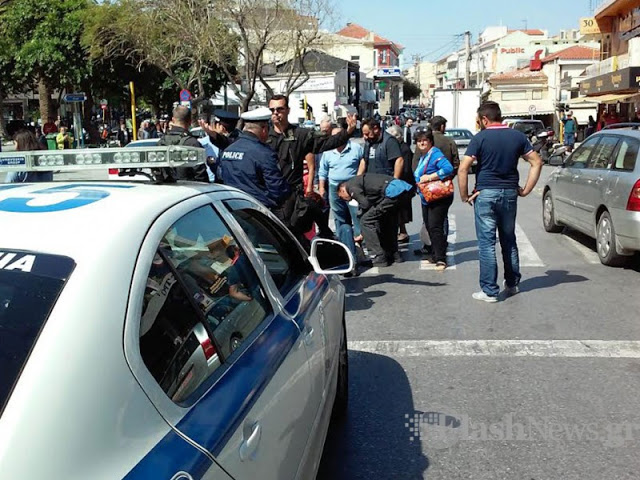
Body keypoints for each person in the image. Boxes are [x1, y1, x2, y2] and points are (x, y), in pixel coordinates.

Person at [458, 101, 543, 303]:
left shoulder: (480, 138)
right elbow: (536, 162)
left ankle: (489, 290)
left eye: (479, 120)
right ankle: (512, 284)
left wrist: (464, 195)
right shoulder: (518, 137)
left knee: (487, 244)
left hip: (486, 193)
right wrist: (526, 189)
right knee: (508, 239)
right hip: (510, 194)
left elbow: (463, 169)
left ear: (485, 119)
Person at [219, 107, 290, 221]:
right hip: (258, 214)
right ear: (264, 129)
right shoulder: (264, 153)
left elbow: (220, 176)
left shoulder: (227, 150)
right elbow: (277, 189)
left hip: (233, 211)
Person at [338, 173, 413, 267]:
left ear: (342, 190)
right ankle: (393, 254)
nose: (346, 200)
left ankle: (378, 256)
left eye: (342, 197)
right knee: (386, 220)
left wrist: (363, 232)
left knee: (366, 221)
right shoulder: (359, 182)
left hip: (392, 192)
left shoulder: (351, 187)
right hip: (402, 189)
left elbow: (365, 204)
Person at [318, 126, 363, 273]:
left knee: (357, 220)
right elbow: (323, 172)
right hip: (334, 188)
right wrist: (321, 189)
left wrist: (357, 181)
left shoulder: (356, 148)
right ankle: (349, 258)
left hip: (352, 189)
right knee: (341, 223)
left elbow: (363, 163)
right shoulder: (328, 152)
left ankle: (358, 250)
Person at [414, 129, 454, 271]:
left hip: (438, 197)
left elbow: (448, 169)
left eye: (425, 140)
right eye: (419, 141)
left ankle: (441, 259)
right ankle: (435, 253)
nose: (422, 143)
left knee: (436, 227)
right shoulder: (424, 155)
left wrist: (430, 177)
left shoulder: (435, 153)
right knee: (430, 226)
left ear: (430, 141)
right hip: (427, 197)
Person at [159, 105, 207, 182]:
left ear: (173, 120)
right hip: (192, 190)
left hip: (166, 189)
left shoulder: (161, 142)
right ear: (190, 121)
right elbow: (200, 175)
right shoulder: (193, 143)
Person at [387, 125, 415, 245]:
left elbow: (407, 169)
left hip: (402, 183)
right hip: (400, 183)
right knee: (398, 210)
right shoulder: (398, 147)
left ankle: (402, 232)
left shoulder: (404, 149)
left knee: (400, 210)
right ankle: (401, 231)